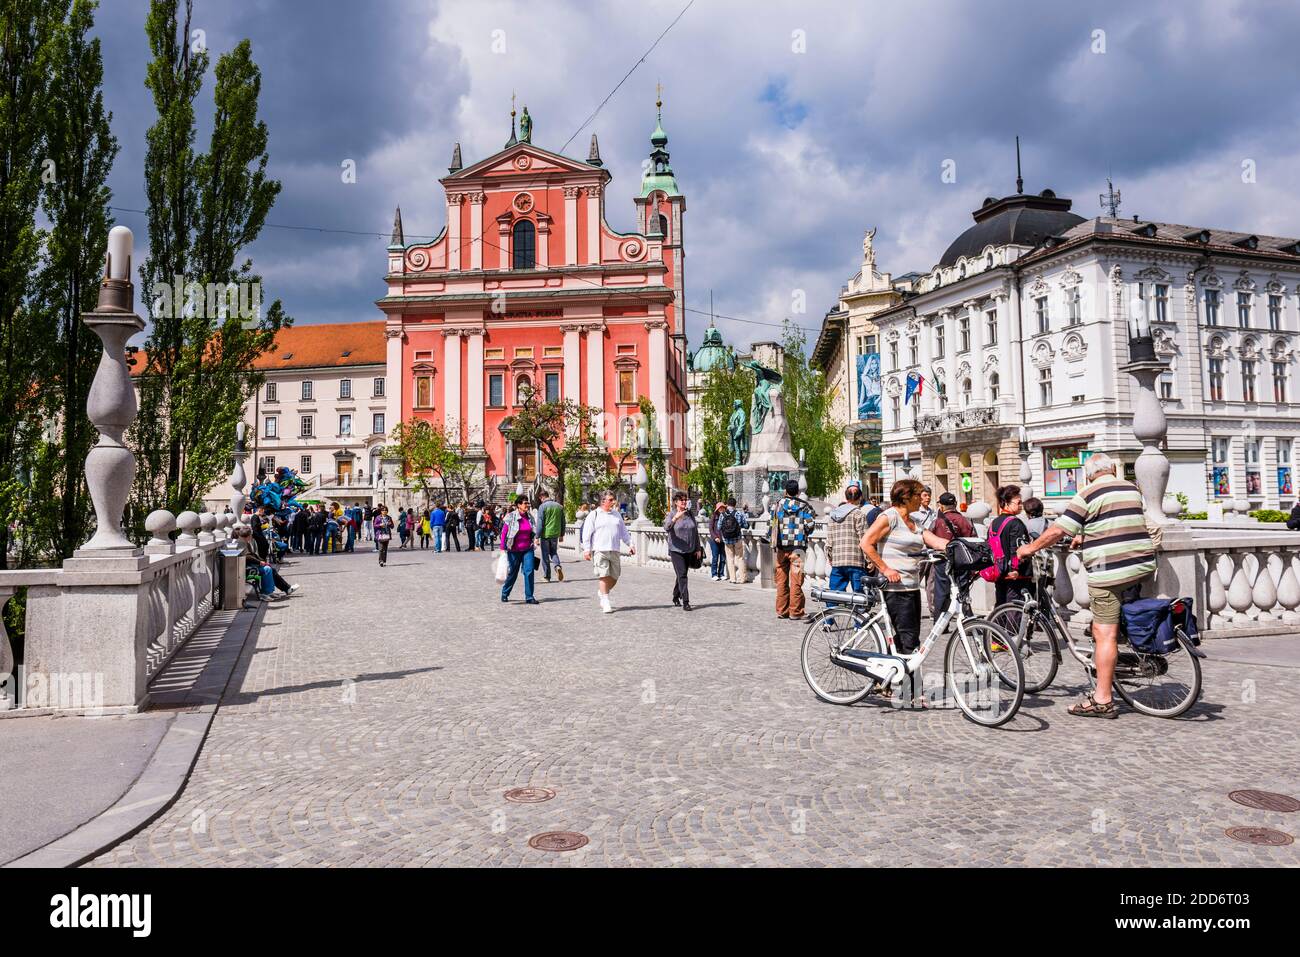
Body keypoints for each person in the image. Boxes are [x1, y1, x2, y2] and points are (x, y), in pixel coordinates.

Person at [1017, 453, 1156, 718]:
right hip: (1142, 564)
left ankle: (1102, 699)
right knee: (1113, 623)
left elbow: (1058, 530)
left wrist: (1030, 548)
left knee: (1105, 634)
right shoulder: (1131, 488)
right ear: (1113, 469)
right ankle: (1118, 658)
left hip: (1110, 572)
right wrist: (1085, 535)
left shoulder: (1088, 494)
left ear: (1088, 474)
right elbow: (1116, 521)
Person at [860, 479, 951, 707]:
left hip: (910, 586)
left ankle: (890, 683)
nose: (923, 498)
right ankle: (913, 692)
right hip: (894, 587)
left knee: (904, 640)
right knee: (910, 641)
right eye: (919, 494)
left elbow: (934, 541)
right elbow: (866, 543)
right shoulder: (888, 517)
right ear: (906, 497)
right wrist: (885, 568)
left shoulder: (913, 522)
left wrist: (959, 546)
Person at [770, 479, 816, 622]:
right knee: (796, 581)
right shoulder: (804, 507)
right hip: (798, 548)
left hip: (781, 547)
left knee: (781, 580)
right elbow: (810, 526)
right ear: (797, 491)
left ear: (785, 491)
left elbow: (772, 523)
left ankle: (782, 610)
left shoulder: (777, 505)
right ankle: (795, 611)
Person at [581, 489, 634, 613]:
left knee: (615, 576)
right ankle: (605, 601)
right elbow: (587, 533)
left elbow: (623, 532)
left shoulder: (616, 515)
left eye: (613, 499)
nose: (613, 502)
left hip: (614, 549)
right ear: (603, 501)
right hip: (599, 550)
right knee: (604, 575)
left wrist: (630, 544)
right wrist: (587, 549)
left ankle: (602, 592)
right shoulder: (594, 515)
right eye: (610, 500)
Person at [927, 491, 975, 616]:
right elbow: (973, 538)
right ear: (955, 504)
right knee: (963, 590)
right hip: (962, 561)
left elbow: (928, 539)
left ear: (941, 507)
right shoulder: (965, 520)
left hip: (942, 560)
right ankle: (967, 620)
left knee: (941, 591)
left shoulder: (937, 521)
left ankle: (940, 622)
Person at [825, 482, 871, 605]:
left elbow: (829, 539)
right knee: (859, 594)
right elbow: (864, 538)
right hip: (856, 560)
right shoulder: (859, 514)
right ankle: (859, 623)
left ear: (846, 498)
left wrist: (830, 557)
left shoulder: (833, 515)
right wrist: (869, 560)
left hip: (838, 560)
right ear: (860, 497)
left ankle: (829, 620)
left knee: (834, 593)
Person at [990, 484, 1034, 608]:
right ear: (1006, 503)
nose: (1021, 506)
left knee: (1001, 606)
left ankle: (998, 627)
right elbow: (1016, 548)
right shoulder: (1015, 523)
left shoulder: (994, 522)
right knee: (1015, 609)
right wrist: (1014, 569)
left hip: (999, 571)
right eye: (1018, 502)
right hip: (1015, 575)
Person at [234, 525, 300, 600]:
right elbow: (248, 556)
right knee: (267, 569)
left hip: (248, 566)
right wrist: (260, 562)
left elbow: (252, 555)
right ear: (249, 535)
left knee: (271, 570)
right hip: (246, 568)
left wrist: (262, 561)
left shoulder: (243, 542)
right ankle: (267, 592)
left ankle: (280, 590)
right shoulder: (241, 543)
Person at [664, 491, 700, 611]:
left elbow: (695, 532)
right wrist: (675, 518)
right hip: (676, 550)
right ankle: (686, 601)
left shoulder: (690, 514)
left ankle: (675, 596)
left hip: (689, 549)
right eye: (681, 500)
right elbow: (666, 528)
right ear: (676, 502)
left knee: (681, 574)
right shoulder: (671, 514)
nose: (684, 502)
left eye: (685, 499)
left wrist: (698, 548)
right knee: (683, 575)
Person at [500, 496, 540, 604]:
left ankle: (529, 597)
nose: (527, 505)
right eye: (525, 503)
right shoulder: (511, 516)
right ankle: (505, 593)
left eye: (528, 503)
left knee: (529, 571)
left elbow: (534, 531)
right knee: (513, 572)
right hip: (514, 549)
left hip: (528, 549)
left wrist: (536, 539)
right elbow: (504, 532)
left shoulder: (530, 517)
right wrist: (502, 547)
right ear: (518, 505)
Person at [536, 490, 565, 582]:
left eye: (540, 499)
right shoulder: (559, 506)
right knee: (553, 552)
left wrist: (537, 536)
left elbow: (540, 523)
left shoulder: (542, 507)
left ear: (542, 497)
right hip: (555, 534)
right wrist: (561, 534)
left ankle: (547, 576)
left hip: (545, 534)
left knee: (545, 555)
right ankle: (557, 566)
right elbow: (563, 522)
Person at [720, 497, 749, 584]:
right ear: (735, 504)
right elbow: (746, 525)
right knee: (740, 558)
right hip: (737, 539)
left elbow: (718, 527)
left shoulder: (722, 514)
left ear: (727, 504)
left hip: (727, 540)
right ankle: (742, 578)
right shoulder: (739, 514)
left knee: (730, 559)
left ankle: (733, 579)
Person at [707, 502, 727, 581]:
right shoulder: (714, 516)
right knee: (715, 557)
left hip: (723, 540)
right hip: (715, 540)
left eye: (723, 507)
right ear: (717, 509)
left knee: (722, 558)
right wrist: (715, 537)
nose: (721, 509)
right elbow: (711, 529)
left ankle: (721, 573)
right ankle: (714, 574)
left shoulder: (726, 516)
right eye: (720, 508)